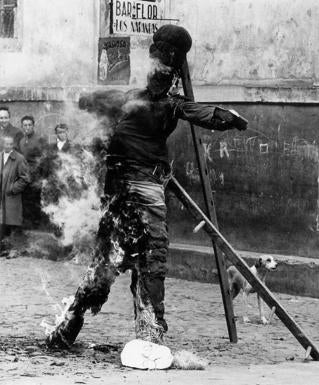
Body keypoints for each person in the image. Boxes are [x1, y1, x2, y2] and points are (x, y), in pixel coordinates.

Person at [45, 25, 248, 349]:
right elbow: (87, 101)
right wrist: (88, 98)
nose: (161, 78)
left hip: (150, 190)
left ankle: (150, 333)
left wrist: (227, 116)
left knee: (151, 259)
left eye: (167, 73)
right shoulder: (126, 99)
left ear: (173, 75)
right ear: (150, 67)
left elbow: (203, 113)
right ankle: (71, 320)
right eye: (158, 70)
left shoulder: (172, 105)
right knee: (104, 268)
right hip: (121, 191)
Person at [0, 135, 30, 256]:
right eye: (5, 144)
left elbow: (25, 178)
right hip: (0, 198)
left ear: (13, 145)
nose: (8, 146)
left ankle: (13, 250)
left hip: (12, 197)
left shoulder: (19, 158)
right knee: (2, 223)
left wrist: (12, 189)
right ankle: (3, 249)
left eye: (10, 144)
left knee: (12, 223)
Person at [17, 116, 46, 229]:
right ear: (22, 126)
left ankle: (36, 224)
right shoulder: (21, 141)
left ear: (33, 126)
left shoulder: (40, 139)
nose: (27, 127)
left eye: (29, 125)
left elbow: (44, 158)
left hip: (36, 175)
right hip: (24, 175)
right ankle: (26, 223)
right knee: (24, 199)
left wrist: (40, 176)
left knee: (35, 200)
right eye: (25, 125)